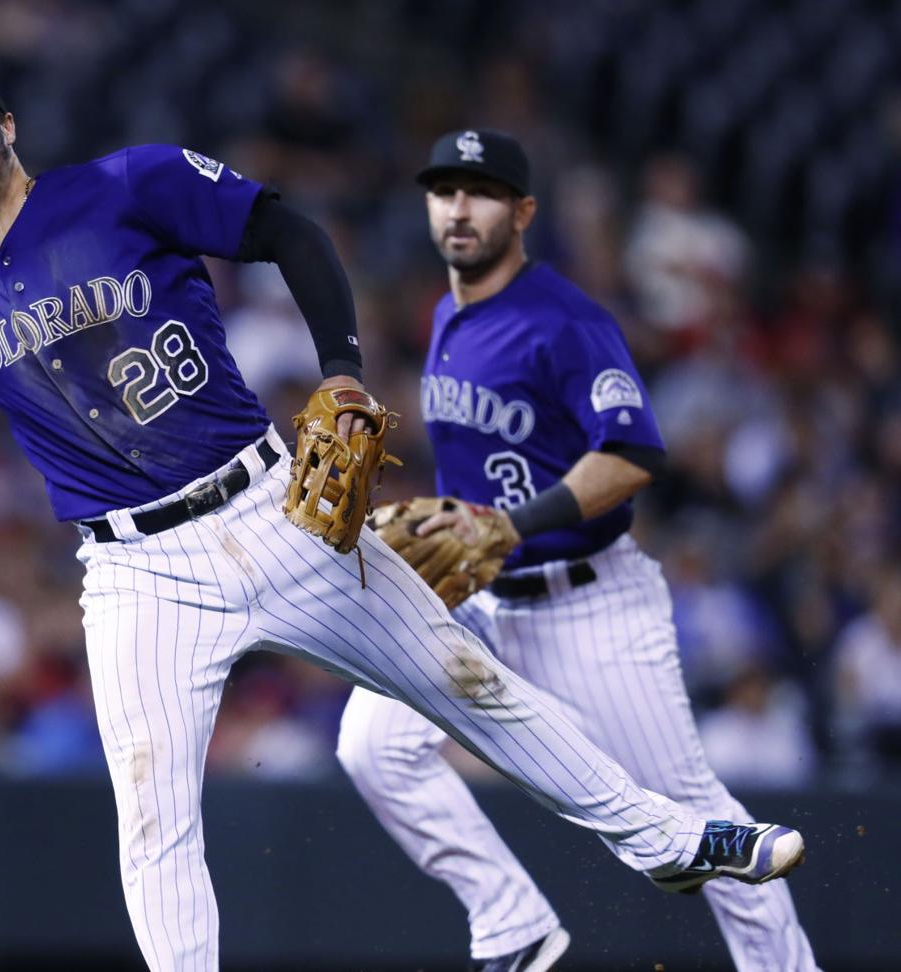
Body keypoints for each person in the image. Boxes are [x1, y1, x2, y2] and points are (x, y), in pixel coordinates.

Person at [0, 66, 804, 972]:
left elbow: (286, 226)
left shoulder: (126, 183)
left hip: (268, 504)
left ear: (5, 127)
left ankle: (666, 842)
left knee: (472, 686)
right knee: (153, 820)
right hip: (135, 573)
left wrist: (339, 373)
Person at [336, 129, 817, 971]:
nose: (458, 207)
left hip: (587, 603)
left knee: (698, 821)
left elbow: (634, 454)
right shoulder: (446, 312)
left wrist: (512, 526)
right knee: (370, 747)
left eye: (481, 191)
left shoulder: (568, 321)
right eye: (444, 190)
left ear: (522, 212)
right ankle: (513, 922)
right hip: (483, 601)